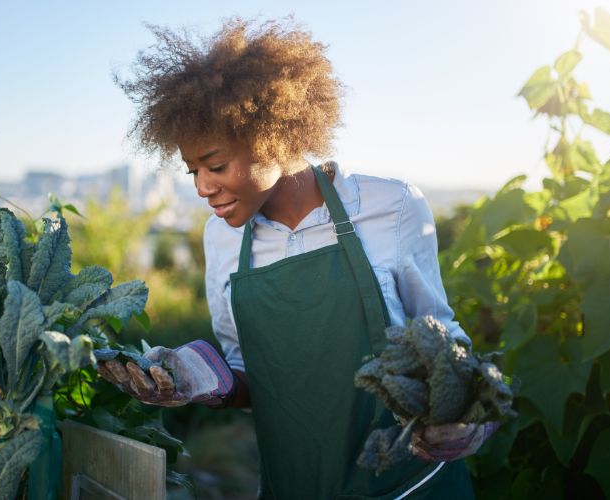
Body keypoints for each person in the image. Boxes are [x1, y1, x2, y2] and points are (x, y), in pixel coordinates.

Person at [98, 18, 492, 499]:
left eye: (216, 165)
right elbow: (252, 382)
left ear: (275, 136)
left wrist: (468, 412)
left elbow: (443, 336)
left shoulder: (391, 208)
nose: (202, 187)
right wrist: (197, 381)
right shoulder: (221, 240)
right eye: (193, 170)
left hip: (411, 487)